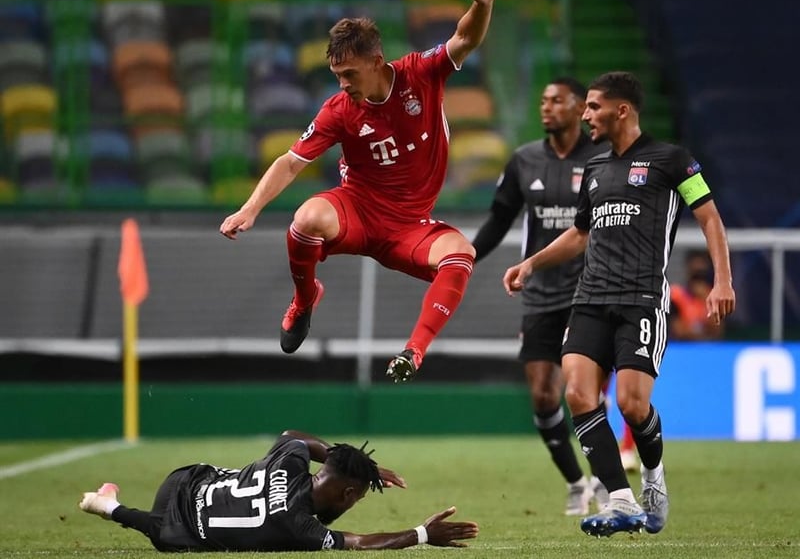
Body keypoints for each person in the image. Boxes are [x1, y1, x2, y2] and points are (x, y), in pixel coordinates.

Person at [219, 0, 499, 384]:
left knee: (462, 254)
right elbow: (291, 162)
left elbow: (464, 38)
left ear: (376, 62)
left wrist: (483, 6)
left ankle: (414, 351)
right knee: (307, 219)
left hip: (410, 226)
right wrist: (250, 208)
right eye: (337, 76)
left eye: (349, 74)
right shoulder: (338, 110)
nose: (343, 84)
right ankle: (305, 298)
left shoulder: (419, 74)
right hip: (359, 211)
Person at [502, 71, 735, 537]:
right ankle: (621, 500)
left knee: (631, 404)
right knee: (578, 394)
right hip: (589, 298)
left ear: (621, 110)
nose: (586, 115)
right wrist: (532, 263)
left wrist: (722, 281)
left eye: (592, 107)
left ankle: (653, 478)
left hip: (643, 299)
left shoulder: (673, 161)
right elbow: (580, 234)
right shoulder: (595, 169)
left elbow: (709, 218)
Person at [472, 77, 611, 516]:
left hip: (590, 291)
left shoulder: (604, 160)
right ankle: (577, 482)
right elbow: (499, 218)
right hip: (539, 294)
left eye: (557, 101)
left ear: (578, 108)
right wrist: (465, 258)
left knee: (581, 387)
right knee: (542, 395)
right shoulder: (524, 160)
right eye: (543, 100)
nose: (547, 108)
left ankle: (610, 482)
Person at [78, 430, 479, 551]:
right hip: (175, 523)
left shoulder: (292, 459)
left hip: (184, 477)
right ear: (349, 494)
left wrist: (366, 467)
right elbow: (358, 542)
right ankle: (108, 506)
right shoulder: (298, 524)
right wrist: (424, 534)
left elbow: (294, 436)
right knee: (169, 538)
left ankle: (107, 502)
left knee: (173, 527)